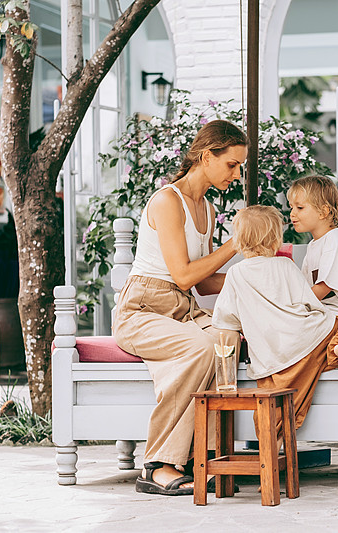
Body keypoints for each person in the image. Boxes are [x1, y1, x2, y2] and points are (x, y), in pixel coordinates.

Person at [113, 119, 247, 496]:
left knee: (228, 341)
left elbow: (203, 283)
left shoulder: (204, 208)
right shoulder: (167, 200)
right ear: (206, 156)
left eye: (239, 167)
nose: (235, 174)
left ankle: (206, 457)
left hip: (181, 309)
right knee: (203, 348)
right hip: (141, 310)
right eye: (231, 165)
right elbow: (185, 275)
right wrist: (236, 244)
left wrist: (254, 277)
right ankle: (157, 465)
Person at [211, 205, 338, 435]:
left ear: (238, 242)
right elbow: (309, 302)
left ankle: (271, 449)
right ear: (276, 240)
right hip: (305, 339)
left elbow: (226, 321)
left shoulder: (236, 274)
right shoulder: (285, 265)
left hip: (269, 356)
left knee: (271, 409)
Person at [288, 175, 338, 330]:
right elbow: (305, 288)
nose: (292, 213)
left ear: (323, 212)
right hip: (328, 314)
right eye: (291, 207)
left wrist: (296, 307)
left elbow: (325, 286)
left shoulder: (335, 238)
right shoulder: (313, 246)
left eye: (299, 208)